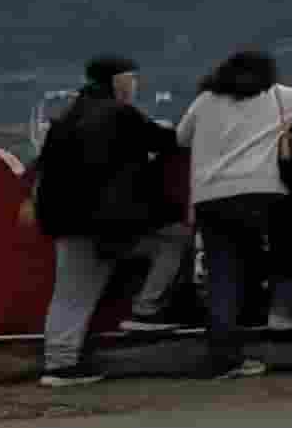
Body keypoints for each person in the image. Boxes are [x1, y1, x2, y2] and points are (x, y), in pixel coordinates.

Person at [30, 54, 191, 390]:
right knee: (174, 238)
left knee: (69, 293)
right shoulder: (119, 114)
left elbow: (43, 166)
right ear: (117, 80)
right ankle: (141, 313)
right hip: (106, 222)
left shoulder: (68, 117)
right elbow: (166, 141)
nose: (134, 86)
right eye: (131, 79)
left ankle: (60, 360)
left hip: (66, 220)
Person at [180, 48, 292, 379]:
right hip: (263, 193)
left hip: (210, 196)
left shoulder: (205, 101)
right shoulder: (280, 96)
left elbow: (181, 137)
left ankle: (223, 358)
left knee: (222, 276)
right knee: (289, 246)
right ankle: (284, 310)